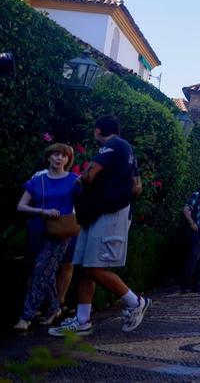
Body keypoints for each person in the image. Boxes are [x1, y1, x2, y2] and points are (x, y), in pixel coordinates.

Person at [50, 116, 151, 336]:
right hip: (104, 213)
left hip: (107, 213)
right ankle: (83, 320)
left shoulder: (111, 145)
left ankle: (135, 302)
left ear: (97, 131)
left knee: (93, 267)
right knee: (86, 266)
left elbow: (88, 176)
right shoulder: (128, 151)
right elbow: (137, 188)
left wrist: (77, 184)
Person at [14, 144, 81, 331]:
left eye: (64, 156)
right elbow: (21, 206)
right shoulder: (38, 180)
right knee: (44, 270)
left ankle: (25, 317)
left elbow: (87, 201)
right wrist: (41, 211)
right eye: (56, 154)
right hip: (38, 229)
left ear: (68, 160)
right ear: (49, 157)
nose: (60, 158)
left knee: (42, 268)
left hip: (62, 232)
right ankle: (54, 308)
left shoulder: (74, 180)